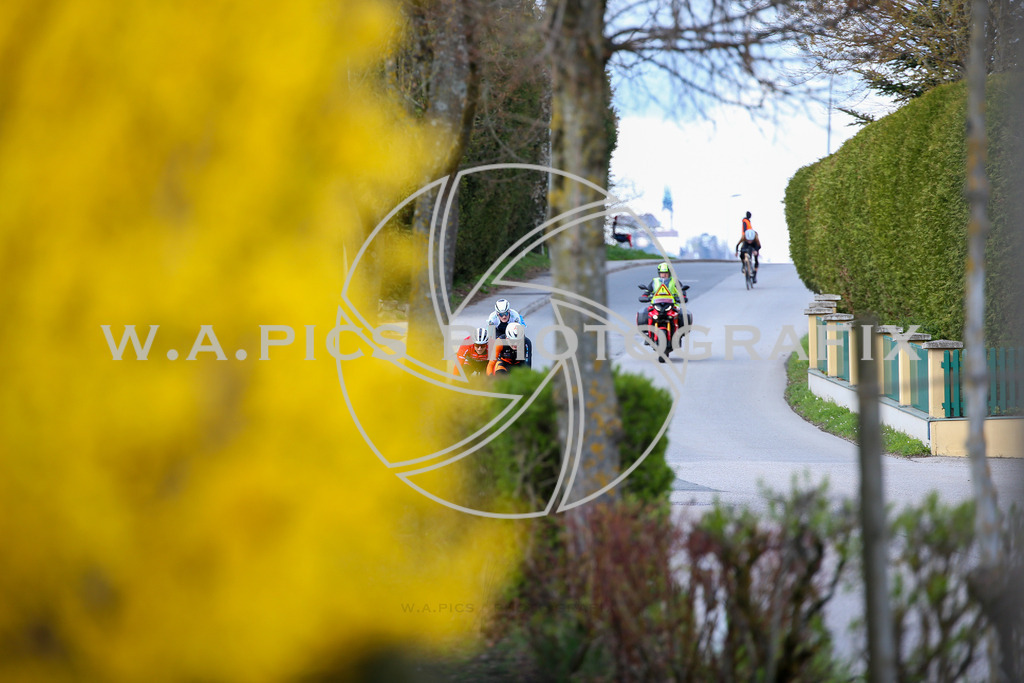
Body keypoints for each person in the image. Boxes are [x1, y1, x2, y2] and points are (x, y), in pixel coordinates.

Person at [735, 218, 761, 283]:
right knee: (742, 252)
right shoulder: (744, 237)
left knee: (756, 258)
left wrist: (756, 251)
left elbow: (759, 246)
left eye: (750, 240)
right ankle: (744, 264)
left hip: (754, 245)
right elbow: (737, 245)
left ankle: (754, 275)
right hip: (745, 244)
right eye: (748, 240)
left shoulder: (755, 238)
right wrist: (736, 252)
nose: (749, 241)